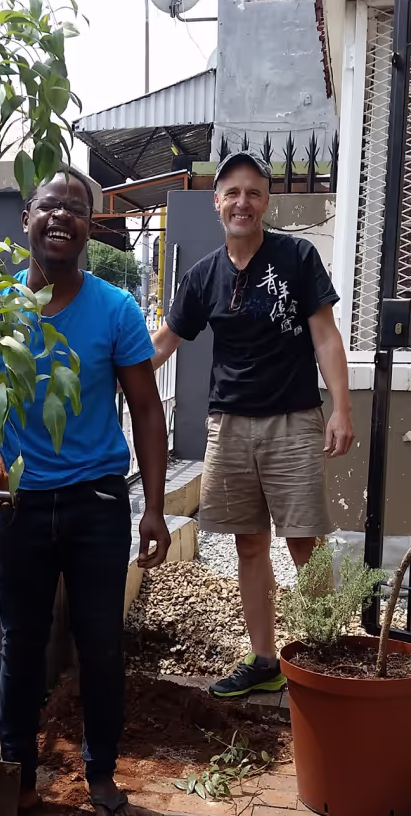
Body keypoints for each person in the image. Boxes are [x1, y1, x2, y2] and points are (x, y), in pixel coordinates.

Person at [0, 167, 170, 816]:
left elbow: (147, 409)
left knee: (101, 643)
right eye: (50, 206)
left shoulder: (115, 310)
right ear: (26, 216)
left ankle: (102, 773)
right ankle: (19, 775)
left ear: (90, 227)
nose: (61, 217)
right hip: (20, 503)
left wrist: (154, 507)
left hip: (96, 502)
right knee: (20, 641)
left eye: (76, 209)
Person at [151, 150, 354, 699]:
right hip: (231, 424)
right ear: (217, 203)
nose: (242, 202)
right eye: (233, 193)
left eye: (253, 193)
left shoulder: (297, 256)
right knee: (248, 543)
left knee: (304, 541)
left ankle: (326, 654)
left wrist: (341, 407)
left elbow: (325, 335)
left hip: (293, 419)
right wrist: (114, 375)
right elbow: (165, 341)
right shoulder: (202, 276)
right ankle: (264, 659)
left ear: (266, 202)